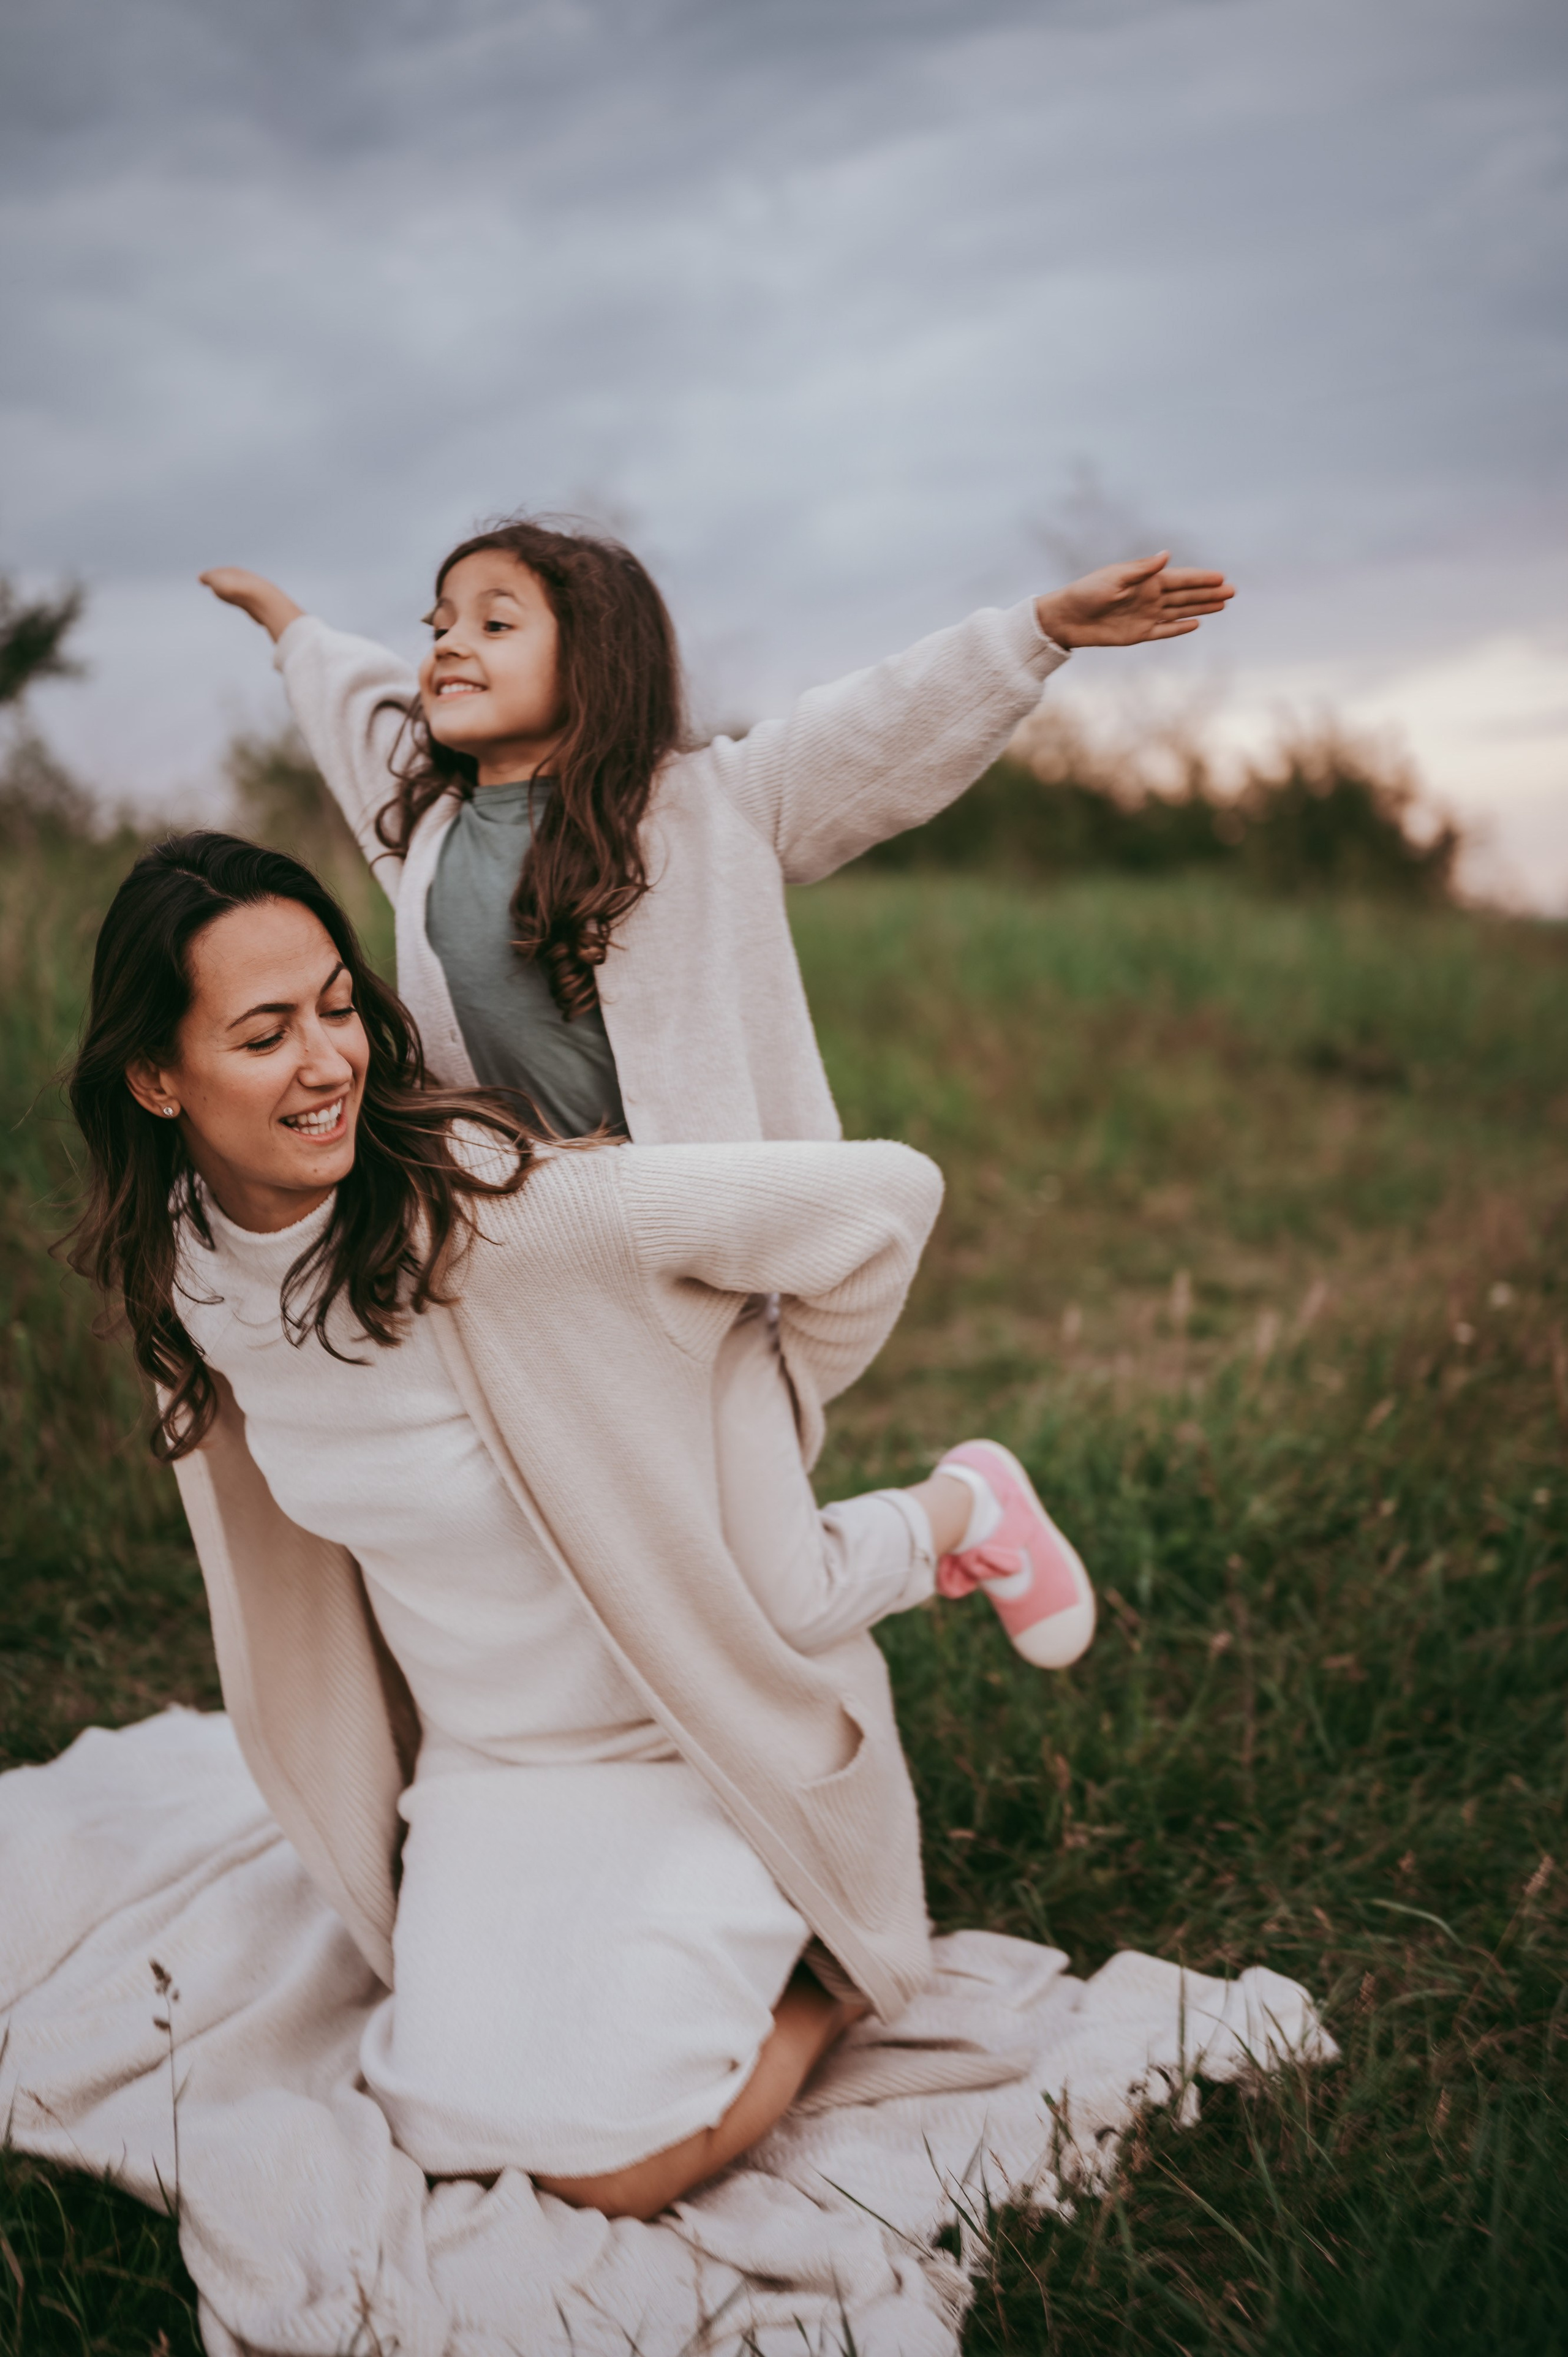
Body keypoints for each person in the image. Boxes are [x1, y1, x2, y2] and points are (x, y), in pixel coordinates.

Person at [66, 831, 1095, 2220]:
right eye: (263, 1033)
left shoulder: (501, 1221)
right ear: (155, 1076)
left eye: (334, 1007)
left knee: (600, 2167)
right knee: (443, 2122)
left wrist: (755, 1402)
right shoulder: (189, 1264)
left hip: (681, 1735)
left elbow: (883, 1203)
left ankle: (828, 1978)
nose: (327, 1061)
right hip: (490, 1761)